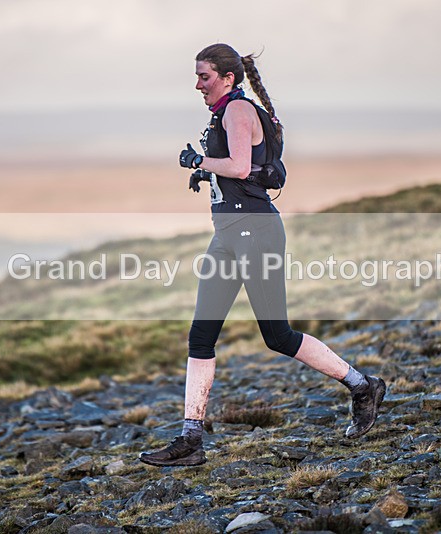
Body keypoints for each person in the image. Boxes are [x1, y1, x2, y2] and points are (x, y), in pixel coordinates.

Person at [139, 44, 386, 467]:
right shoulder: (227, 112)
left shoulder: (237, 110)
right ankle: (190, 439)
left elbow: (238, 165)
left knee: (277, 335)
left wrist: (199, 160)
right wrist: (205, 172)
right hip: (229, 234)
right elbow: (245, 170)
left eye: (204, 76)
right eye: (197, 76)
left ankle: (363, 386)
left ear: (228, 78)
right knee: (201, 337)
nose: (197, 84)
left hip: (255, 233)